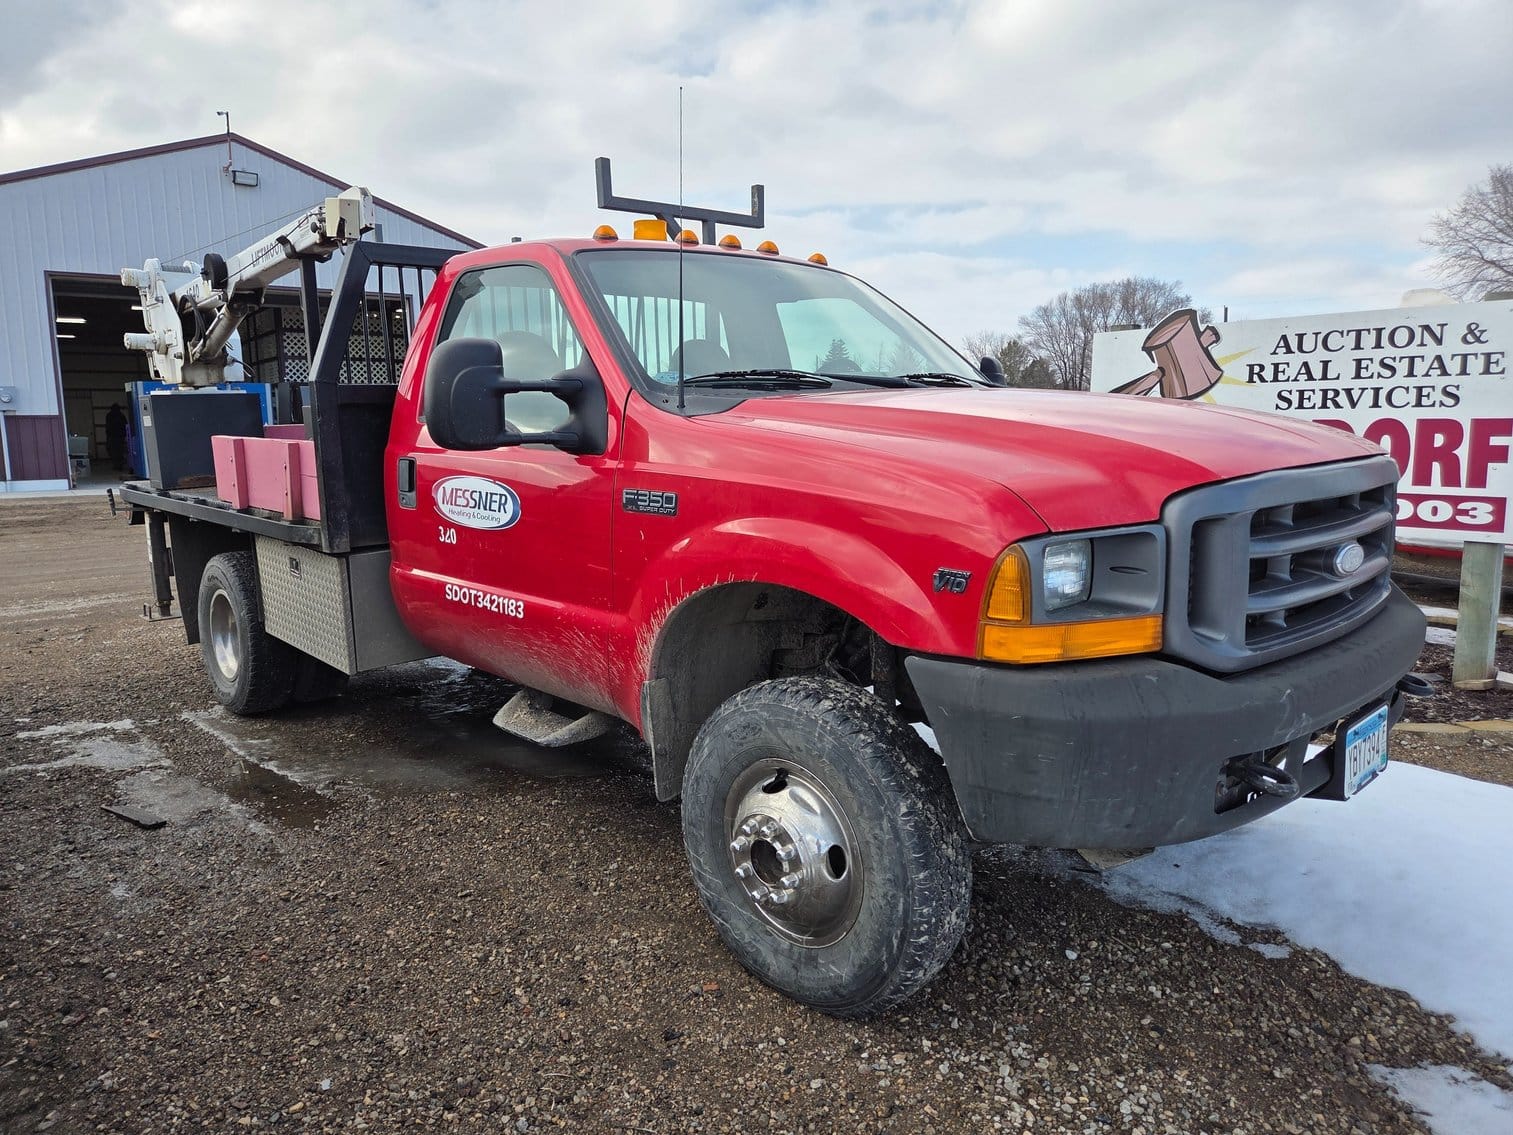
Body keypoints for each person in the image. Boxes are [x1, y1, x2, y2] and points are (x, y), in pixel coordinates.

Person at [105, 403, 128, 474]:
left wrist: (108, 434)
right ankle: (120, 465)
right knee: (120, 451)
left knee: (113, 451)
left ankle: (116, 465)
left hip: (112, 437)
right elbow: (125, 425)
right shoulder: (121, 416)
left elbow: (107, 426)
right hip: (120, 437)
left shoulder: (109, 415)